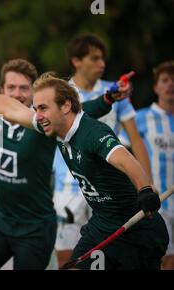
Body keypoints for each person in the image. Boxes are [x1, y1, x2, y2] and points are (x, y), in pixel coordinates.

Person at [0, 18, 128, 269]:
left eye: (24, 88)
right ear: (1, 90)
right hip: (1, 221)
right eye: (11, 87)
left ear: (34, 92)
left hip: (35, 228)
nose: (17, 93)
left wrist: (107, 99)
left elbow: (79, 112)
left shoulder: (42, 122)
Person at [0, 68, 168, 269]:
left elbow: (127, 160)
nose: (38, 116)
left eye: (43, 108)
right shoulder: (52, 125)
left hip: (139, 231)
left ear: (65, 106)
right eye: (36, 109)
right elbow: (10, 108)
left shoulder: (93, 133)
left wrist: (145, 190)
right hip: (102, 227)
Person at [52, 34, 153, 267]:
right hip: (69, 188)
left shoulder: (115, 91)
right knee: (68, 260)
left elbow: (136, 141)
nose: (102, 64)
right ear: (76, 61)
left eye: (103, 59)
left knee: (114, 258)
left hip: (111, 191)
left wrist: (147, 184)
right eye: (94, 59)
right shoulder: (59, 93)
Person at [133, 61, 174, 269]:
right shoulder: (141, 118)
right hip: (158, 204)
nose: (170, 85)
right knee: (162, 260)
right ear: (156, 87)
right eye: (165, 80)